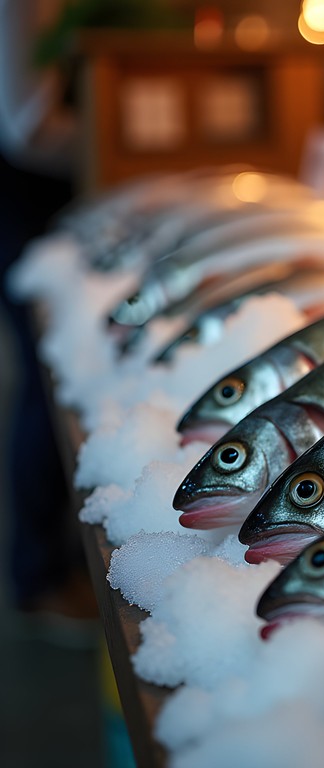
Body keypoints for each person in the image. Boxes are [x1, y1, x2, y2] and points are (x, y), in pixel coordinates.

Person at [0, 0, 90, 621]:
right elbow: (27, 127)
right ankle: (37, 577)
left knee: (47, 375)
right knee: (43, 378)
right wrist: (113, 137)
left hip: (37, 201)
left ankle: (51, 562)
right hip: (23, 201)